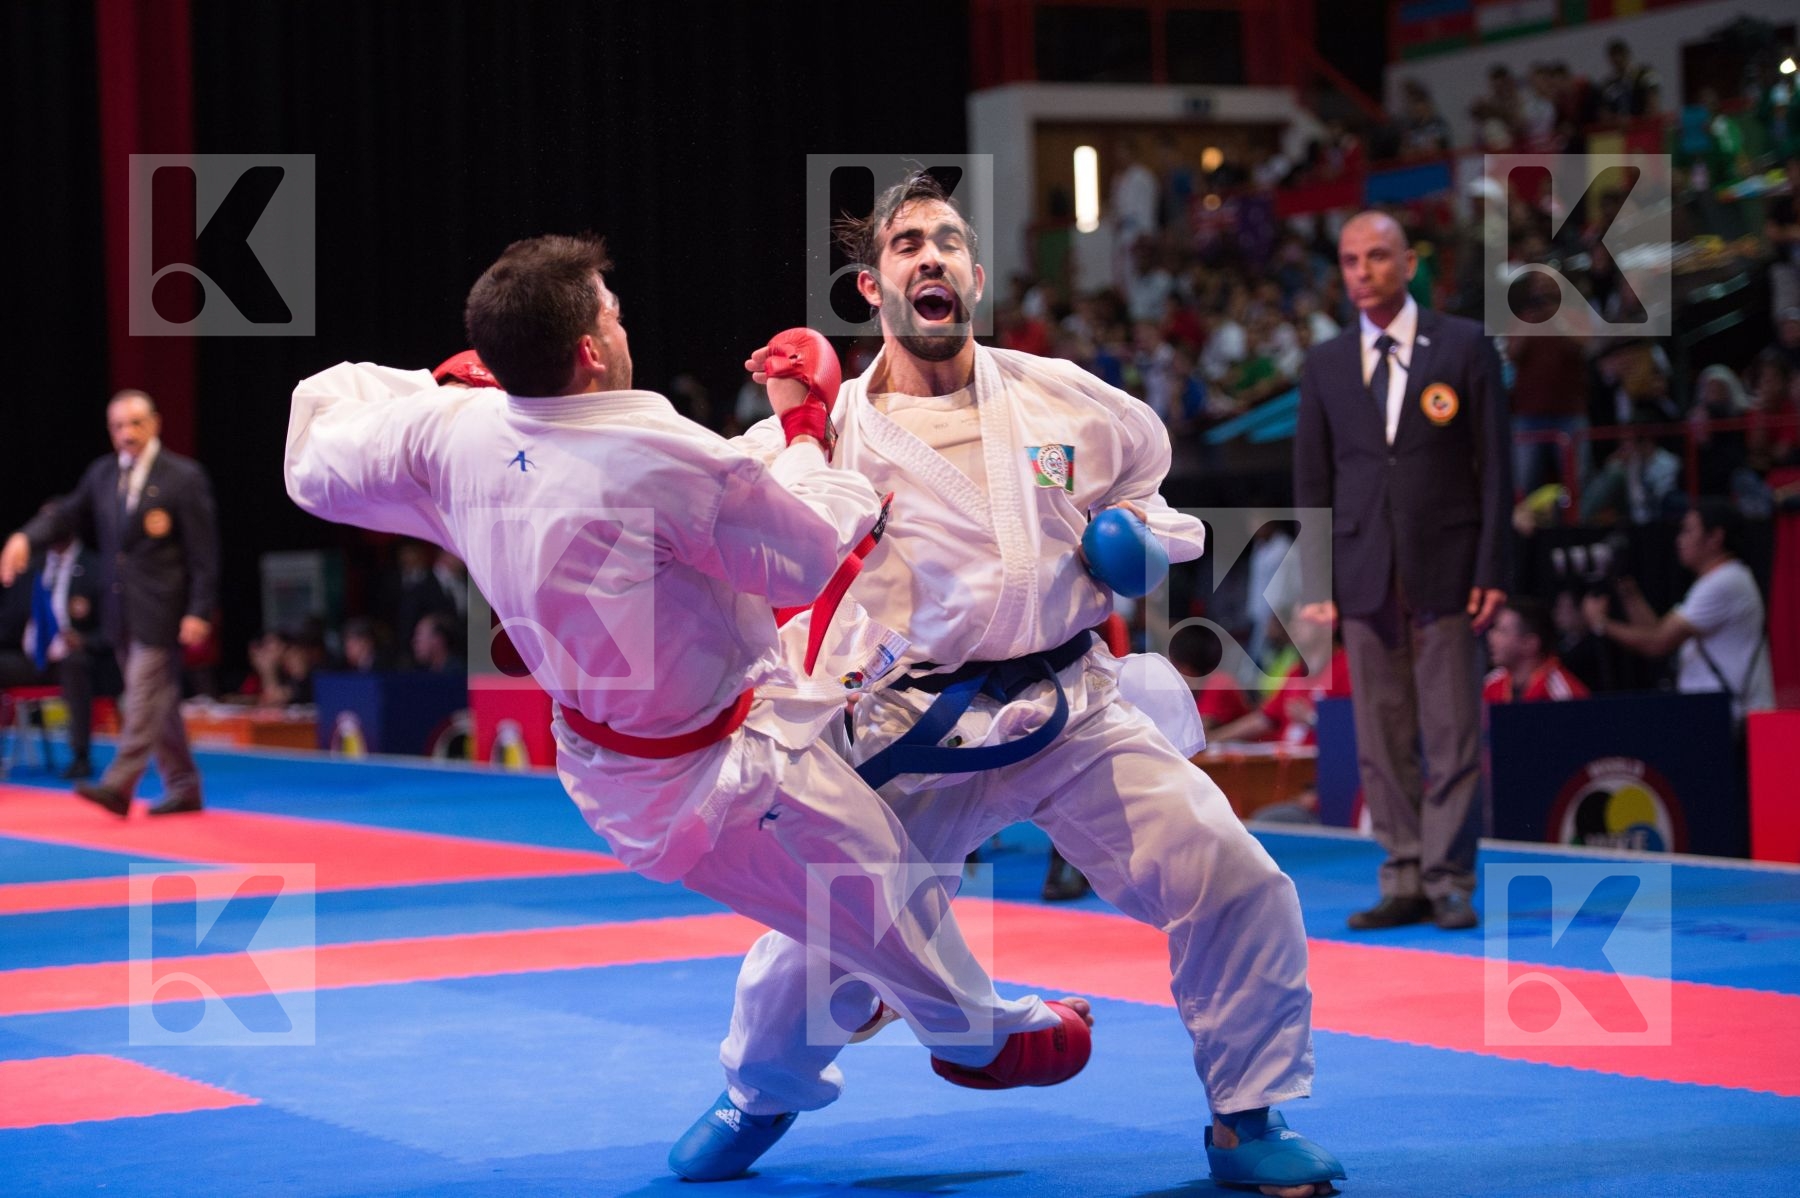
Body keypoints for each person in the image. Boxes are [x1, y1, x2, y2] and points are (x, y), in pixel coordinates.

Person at [283, 233, 1091, 1179]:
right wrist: (806, 422)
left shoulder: (453, 430)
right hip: (722, 776)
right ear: (590, 349)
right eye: (613, 314)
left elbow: (316, 453)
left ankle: (812, 1065)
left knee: (860, 900)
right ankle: (979, 1037)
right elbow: (807, 548)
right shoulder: (655, 452)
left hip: (614, 761)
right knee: (882, 893)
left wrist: (435, 383)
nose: (624, 325)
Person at [713, 173, 1343, 1198]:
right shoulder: (831, 432)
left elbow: (1147, 483)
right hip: (912, 726)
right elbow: (715, 515)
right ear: (871, 287)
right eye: (907, 244)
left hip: (1070, 707)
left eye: (948, 242)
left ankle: (1248, 1116)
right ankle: (757, 1094)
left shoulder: (1062, 397)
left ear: (975, 275)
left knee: (1233, 874)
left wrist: (1141, 536)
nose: (931, 256)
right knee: (824, 936)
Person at [1293, 211, 1512, 933]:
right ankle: (1405, 873)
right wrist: (1317, 581)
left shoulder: (1464, 345)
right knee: (1381, 741)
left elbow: (1495, 467)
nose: (1364, 271)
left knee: (1452, 733)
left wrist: (1492, 565)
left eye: (1379, 256)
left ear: (1410, 263)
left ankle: (1449, 878)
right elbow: (1312, 479)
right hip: (1364, 569)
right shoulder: (1326, 363)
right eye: (1351, 260)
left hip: (1447, 563)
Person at [1, 390, 219, 816]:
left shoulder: (182, 477)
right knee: (159, 702)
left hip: (162, 610)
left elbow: (204, 554)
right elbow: (65, 513)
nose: (127, 434)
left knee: (140, 696)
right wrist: (25, 537)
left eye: (135, 423)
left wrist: (199, 610)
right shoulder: (103, 474)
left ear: (155, 423)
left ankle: (119, 785)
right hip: (120, 612)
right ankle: (184, 787)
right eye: (118, 426)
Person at [1582, 498, 1774, 721]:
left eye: (1688, 531)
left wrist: (1601, 624)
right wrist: (1628, 591)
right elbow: (1657, 630)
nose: (1679, 540)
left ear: (1715, 537)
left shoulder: (1724, 581)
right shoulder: (1719, 579)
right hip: (1718, 714)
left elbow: (1657, 643)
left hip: (1731, 717)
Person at [0, 531, 106, 779]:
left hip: (73, 659)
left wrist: (84, 640)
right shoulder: (30, 565)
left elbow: (112, 628)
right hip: (30, 657)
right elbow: (8, 619)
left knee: (75, 664)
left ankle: (80, 756)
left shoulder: (95, 567)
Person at [1483, 596, 1589, 703]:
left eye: (1502, 631)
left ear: (1530, 644)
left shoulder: (1562, 694)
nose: (1491, 637)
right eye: (1494, 629)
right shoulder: (1491, 683)